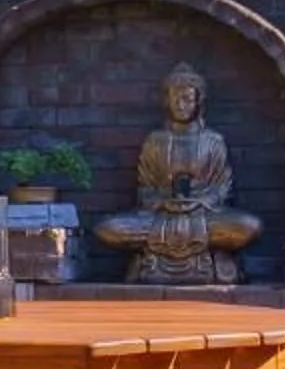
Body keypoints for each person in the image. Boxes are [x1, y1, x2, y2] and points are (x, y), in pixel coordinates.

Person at [92, 63, 260, 283]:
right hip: (162, 214)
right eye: (176, 99)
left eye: (187, 99)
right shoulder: (155, 141)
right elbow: (145, 189)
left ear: (198, 102)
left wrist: (199, 201)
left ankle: (193, 254)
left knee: (248, 226)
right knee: (108, 228)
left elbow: (222, 188)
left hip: (203, 214)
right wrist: (163, 201)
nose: (181, 106)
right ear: (167, 101)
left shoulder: (213, 141)